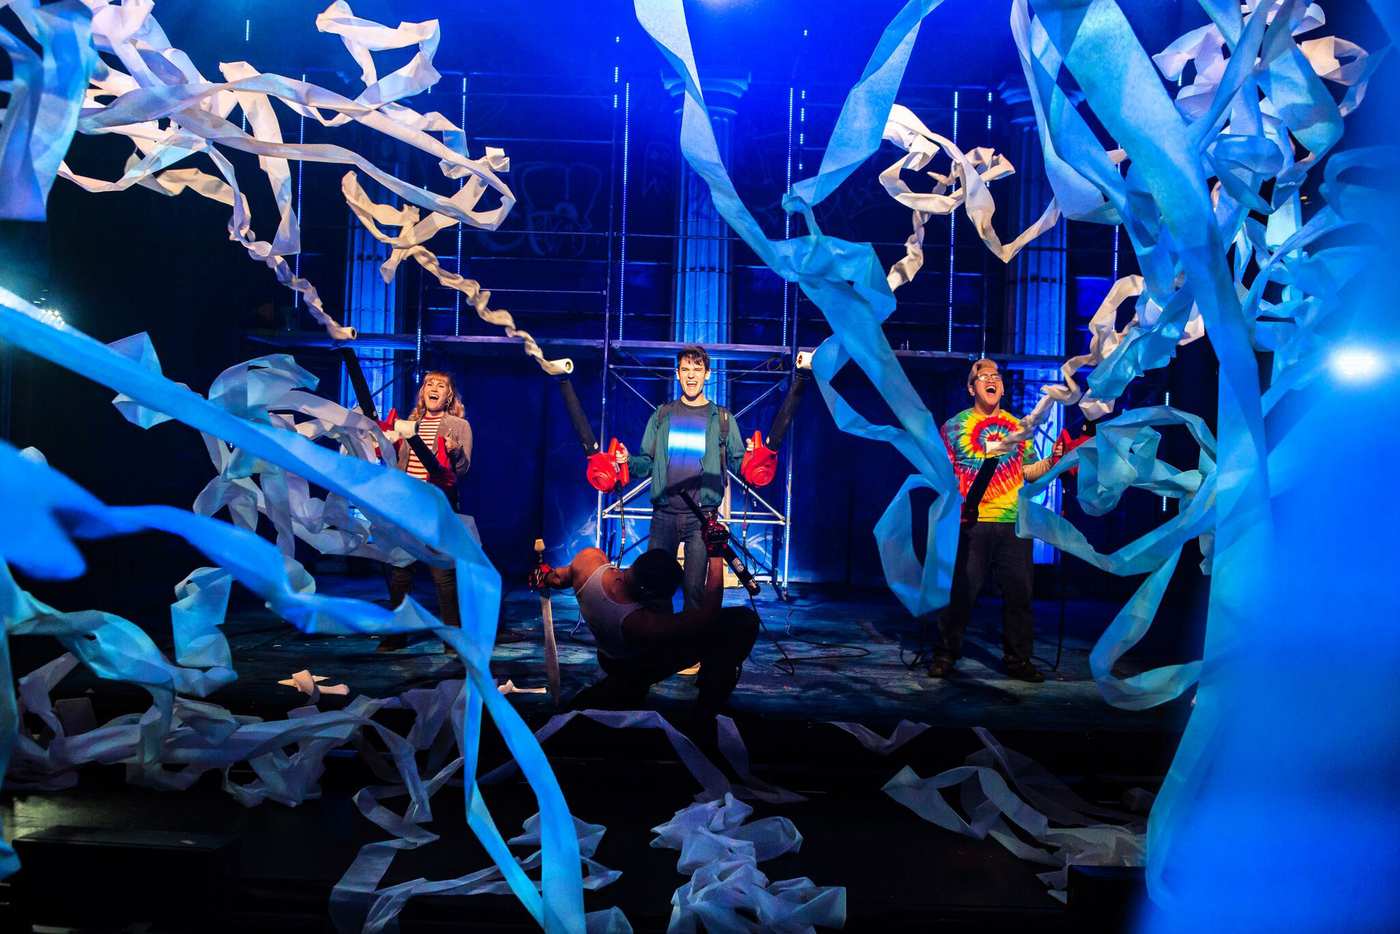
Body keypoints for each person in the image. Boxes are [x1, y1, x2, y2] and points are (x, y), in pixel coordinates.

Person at [530, 515, 758, 713]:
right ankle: (706, 711)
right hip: (633, 665)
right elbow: (708, 616)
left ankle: (618, 694)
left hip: (608, 656)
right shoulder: (639, 622)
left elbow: (559, 577)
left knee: (619, 696)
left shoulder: (589, 561)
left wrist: (545, 576)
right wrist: (715, 555)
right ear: (648, 593)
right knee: (740, 622)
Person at [929, 358, 1062, 682]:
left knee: (1019, 595)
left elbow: (1028, 472)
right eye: (983, 375)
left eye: (996, 376)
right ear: (971, 387)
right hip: (971, 523)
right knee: (962, 594)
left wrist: (1054, 460)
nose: (992, 379)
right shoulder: (954, 426)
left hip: (1013, 523)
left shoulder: (1018, 427)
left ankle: (1018, 661)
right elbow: (941, 473)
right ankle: (946, 655)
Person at [615, 346, 751, 610]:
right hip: (664, 515)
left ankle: (693, 648)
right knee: (655, 590)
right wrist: (626, 461)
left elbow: (739, 464)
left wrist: (754, 460)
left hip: (702, 518)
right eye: (685, 370)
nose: (691, 376)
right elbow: (646, 463)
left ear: (708, 374)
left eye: (697, 369)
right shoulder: (663, 415)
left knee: (694, 592)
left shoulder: (722, 419)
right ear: (677, 374)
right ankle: (658, 647)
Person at [379, 371, 473, 652]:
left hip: (437, 508)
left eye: (441, 385)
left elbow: (463, 469)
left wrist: (454, 451)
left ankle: (452, 639)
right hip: (407, 506)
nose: (433, 388)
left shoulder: (459, 425)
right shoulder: (409, 425)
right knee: (399, 572)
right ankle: (398, 634)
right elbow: (397, 462)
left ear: (449, 395)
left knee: (442, 575)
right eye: (429, 384)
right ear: (422, 393)